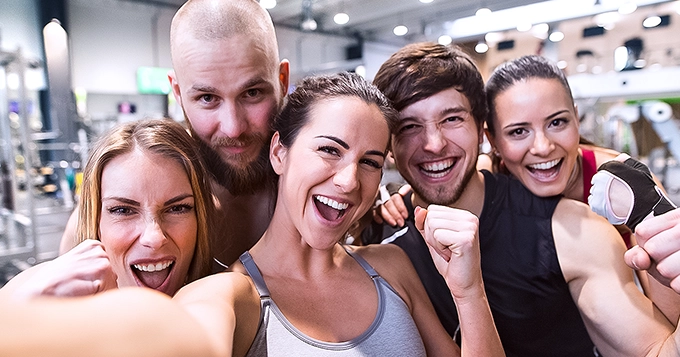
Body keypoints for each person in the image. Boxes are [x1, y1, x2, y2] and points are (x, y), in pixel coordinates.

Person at [0, 72, 504, 357]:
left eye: (370, 162)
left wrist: (469, 291)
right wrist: (15, 309)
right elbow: (172, 338)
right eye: (329, 150)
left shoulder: (392, 269)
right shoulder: (232, 293)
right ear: (279, 152)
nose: (350, 180)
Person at [362, 42, 680, 356]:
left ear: (481, 130)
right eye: (409, 126)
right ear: (388, 144)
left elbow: (657, 350)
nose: (434, 144)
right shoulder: (376, 234)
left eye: (452, 119)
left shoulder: (572, 229)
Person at [59, 0, 289, 268]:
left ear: (282, 80)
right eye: (207, 98)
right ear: (178, 93)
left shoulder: (322, 180)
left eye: (252, 93)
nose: (233, 127)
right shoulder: (129, 195)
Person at [2, 119, 213, 298]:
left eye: (177, 208)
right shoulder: (35, 293)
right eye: (123, 210)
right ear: (96, 220)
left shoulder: (224, 302)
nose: (154, 238)